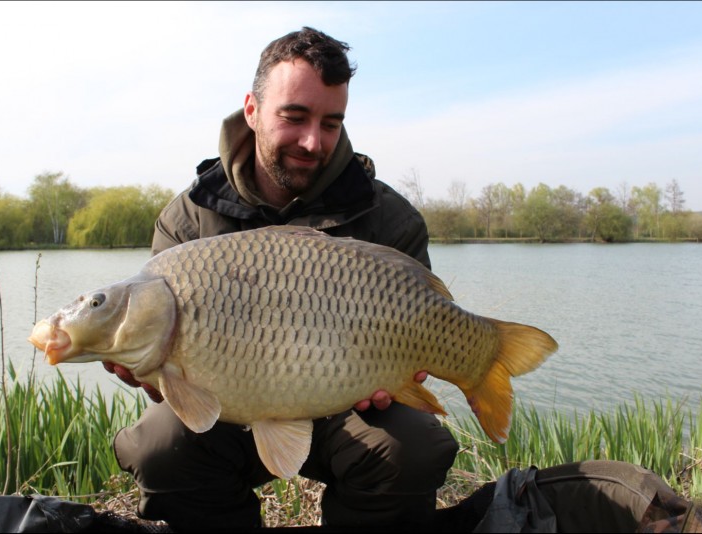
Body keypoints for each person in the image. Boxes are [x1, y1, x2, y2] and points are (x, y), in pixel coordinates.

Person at [103, 27, 459, 530]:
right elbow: (171, 381)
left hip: (347, 406)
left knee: (414, 446)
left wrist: (399, 378)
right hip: (229, 409)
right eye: (294, 117)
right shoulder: (188, 220)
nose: (313, 141)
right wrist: (152, 377)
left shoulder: (390, 219)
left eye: (331, 123)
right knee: (161, 445)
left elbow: (419, 336)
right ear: (252, 110)